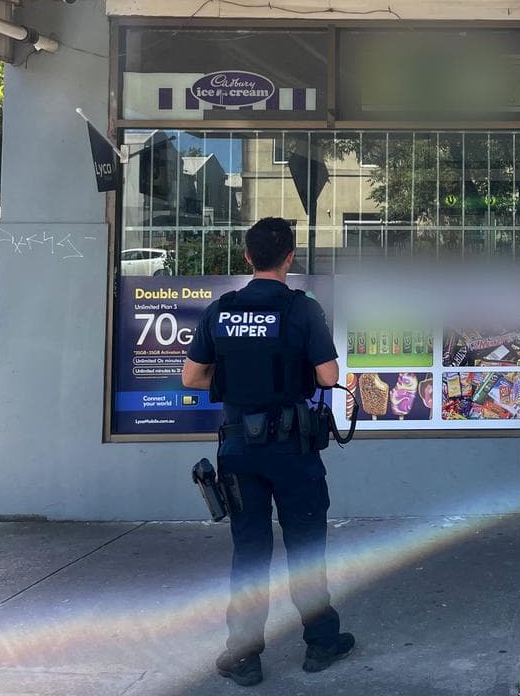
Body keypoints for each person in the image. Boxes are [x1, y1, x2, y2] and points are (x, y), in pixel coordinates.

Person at [182, 217, 355, 687]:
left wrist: (235, 377)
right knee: (305, 547)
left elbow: (192, 377)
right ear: (290, 257)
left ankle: (243, 656)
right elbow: (327, 376)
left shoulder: (221, 311)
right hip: (292, 450)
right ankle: (321, 643)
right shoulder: (302, 309)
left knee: (250, 552)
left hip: (239, 450)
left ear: (247, 256)